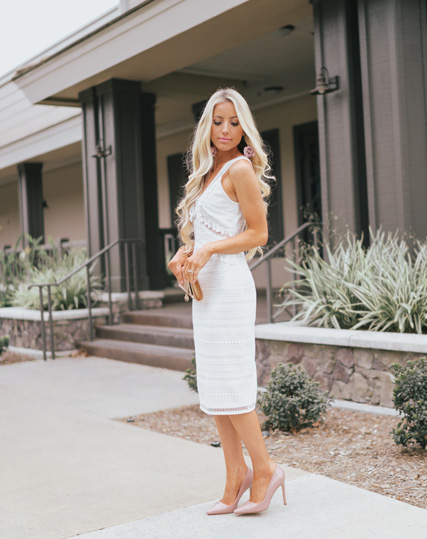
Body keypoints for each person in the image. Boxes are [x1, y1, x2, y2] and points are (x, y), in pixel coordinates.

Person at [168, 88, 287, 516]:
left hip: (231, 288)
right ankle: (234, 475)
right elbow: (206, 233)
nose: (225, 130)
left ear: (244, 127)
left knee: (235, 384)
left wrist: (210, 250)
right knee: (217, 386)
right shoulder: (206, 173)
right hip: (206, 290)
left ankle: (267, 469)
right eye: (218, 121)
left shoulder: (240, 169)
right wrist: (184, 255)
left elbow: (258, 234)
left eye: (234, 122)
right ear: (207, 125)